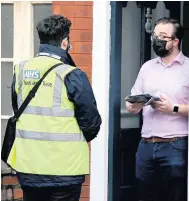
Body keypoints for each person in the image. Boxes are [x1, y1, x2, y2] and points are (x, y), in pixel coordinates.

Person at [9, 15, 102, 201]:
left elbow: (17, 108)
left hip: (29, 169)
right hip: (64, 171)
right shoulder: (72, 74)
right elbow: (92, 123)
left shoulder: (20, 70)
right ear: (65, 41)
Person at [126, 17, 189, 201]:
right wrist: (132, 105)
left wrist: (173, 108)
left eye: (163, 36)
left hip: (175, 145)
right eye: (155, 35)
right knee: (145, 195)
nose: (156, 40)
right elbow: (132, 103)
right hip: (146, 145)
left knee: (174, 195)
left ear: (175, 41)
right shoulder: (147, 68)